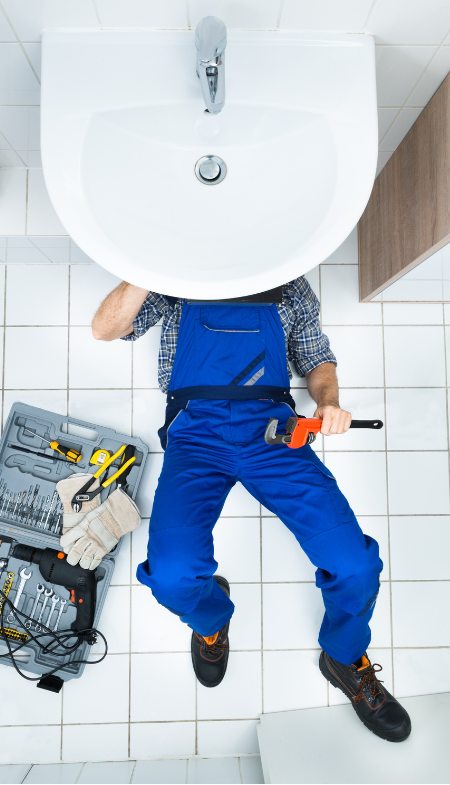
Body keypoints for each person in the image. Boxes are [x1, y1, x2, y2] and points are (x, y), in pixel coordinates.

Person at [92, 278, 411, 743]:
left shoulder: (289, 283)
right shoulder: (174, 271)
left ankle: (343, 655)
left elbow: (316, 359)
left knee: (354, 564)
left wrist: (329, 402)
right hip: (196, 435)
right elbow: (106, 329)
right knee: (173, 575)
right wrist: (149, 264)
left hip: (273, 433)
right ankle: (211, 622)